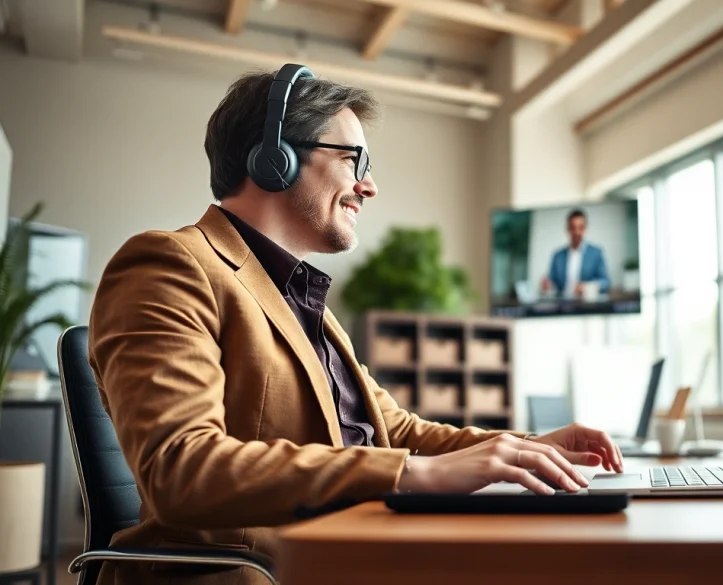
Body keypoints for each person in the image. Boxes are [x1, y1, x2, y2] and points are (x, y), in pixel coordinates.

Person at [87, 64, 623, 585]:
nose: (369, 187)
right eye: (353, 160)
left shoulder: (299, 297)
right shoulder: (170, 264)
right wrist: (413, 474)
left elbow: (400, 432)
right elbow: (181, 470)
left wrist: (528, 447)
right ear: (276, 160)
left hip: (346, 554)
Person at [541, 208, 611, 298]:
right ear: (567, 229)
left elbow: (606, 282)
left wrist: (587, 287)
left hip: (586, 306)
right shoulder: (557, 256)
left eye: (580, 227)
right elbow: (552, 282)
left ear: (585, 229)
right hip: (562, 305)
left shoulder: (596, 253)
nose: (577, 232)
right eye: (573, 228)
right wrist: (548, 285)